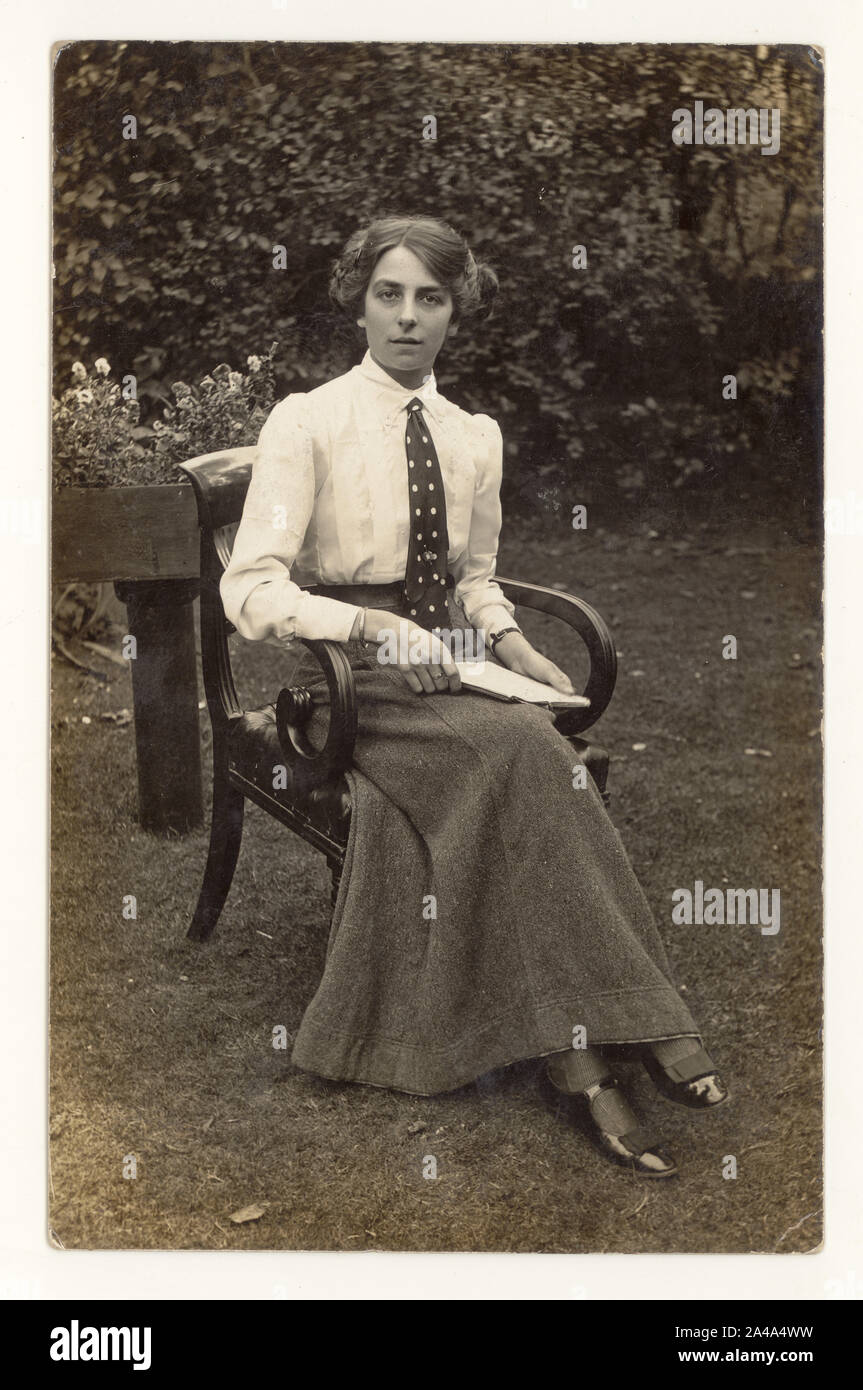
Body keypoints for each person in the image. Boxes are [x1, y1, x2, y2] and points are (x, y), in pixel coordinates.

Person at [221, 213, 729, 1179]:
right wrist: (371, 629)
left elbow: (474, 575)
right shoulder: (307, 421)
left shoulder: (471, 436)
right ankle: (636, 1032)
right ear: (358, 300)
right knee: (533, 757)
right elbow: (249, 588)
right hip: (343, 682)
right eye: (389, 294)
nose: (407, 318)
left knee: (522, 756)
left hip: (454, 665)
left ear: (458, 312)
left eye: (430, 298)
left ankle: (579, 1051)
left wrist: (510, 641)